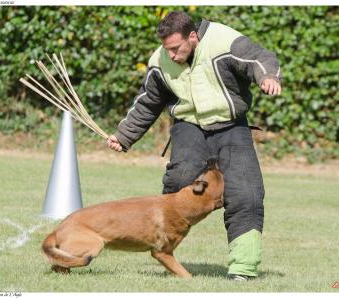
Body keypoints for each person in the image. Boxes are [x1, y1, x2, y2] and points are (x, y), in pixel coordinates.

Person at [107, 11, 282, 281]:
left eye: (176, 49)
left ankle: (242, 269)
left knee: (246, 194)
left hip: (231, 124)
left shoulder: (224, 42)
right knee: (178, 182)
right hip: (188, 126)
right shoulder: (160, 59)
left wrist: (268, 76)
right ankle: (164, 252)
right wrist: (124, 135)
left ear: (193, 36)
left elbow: (259, 58)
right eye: (168, 50)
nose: (172, 56)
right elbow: (148, 102)